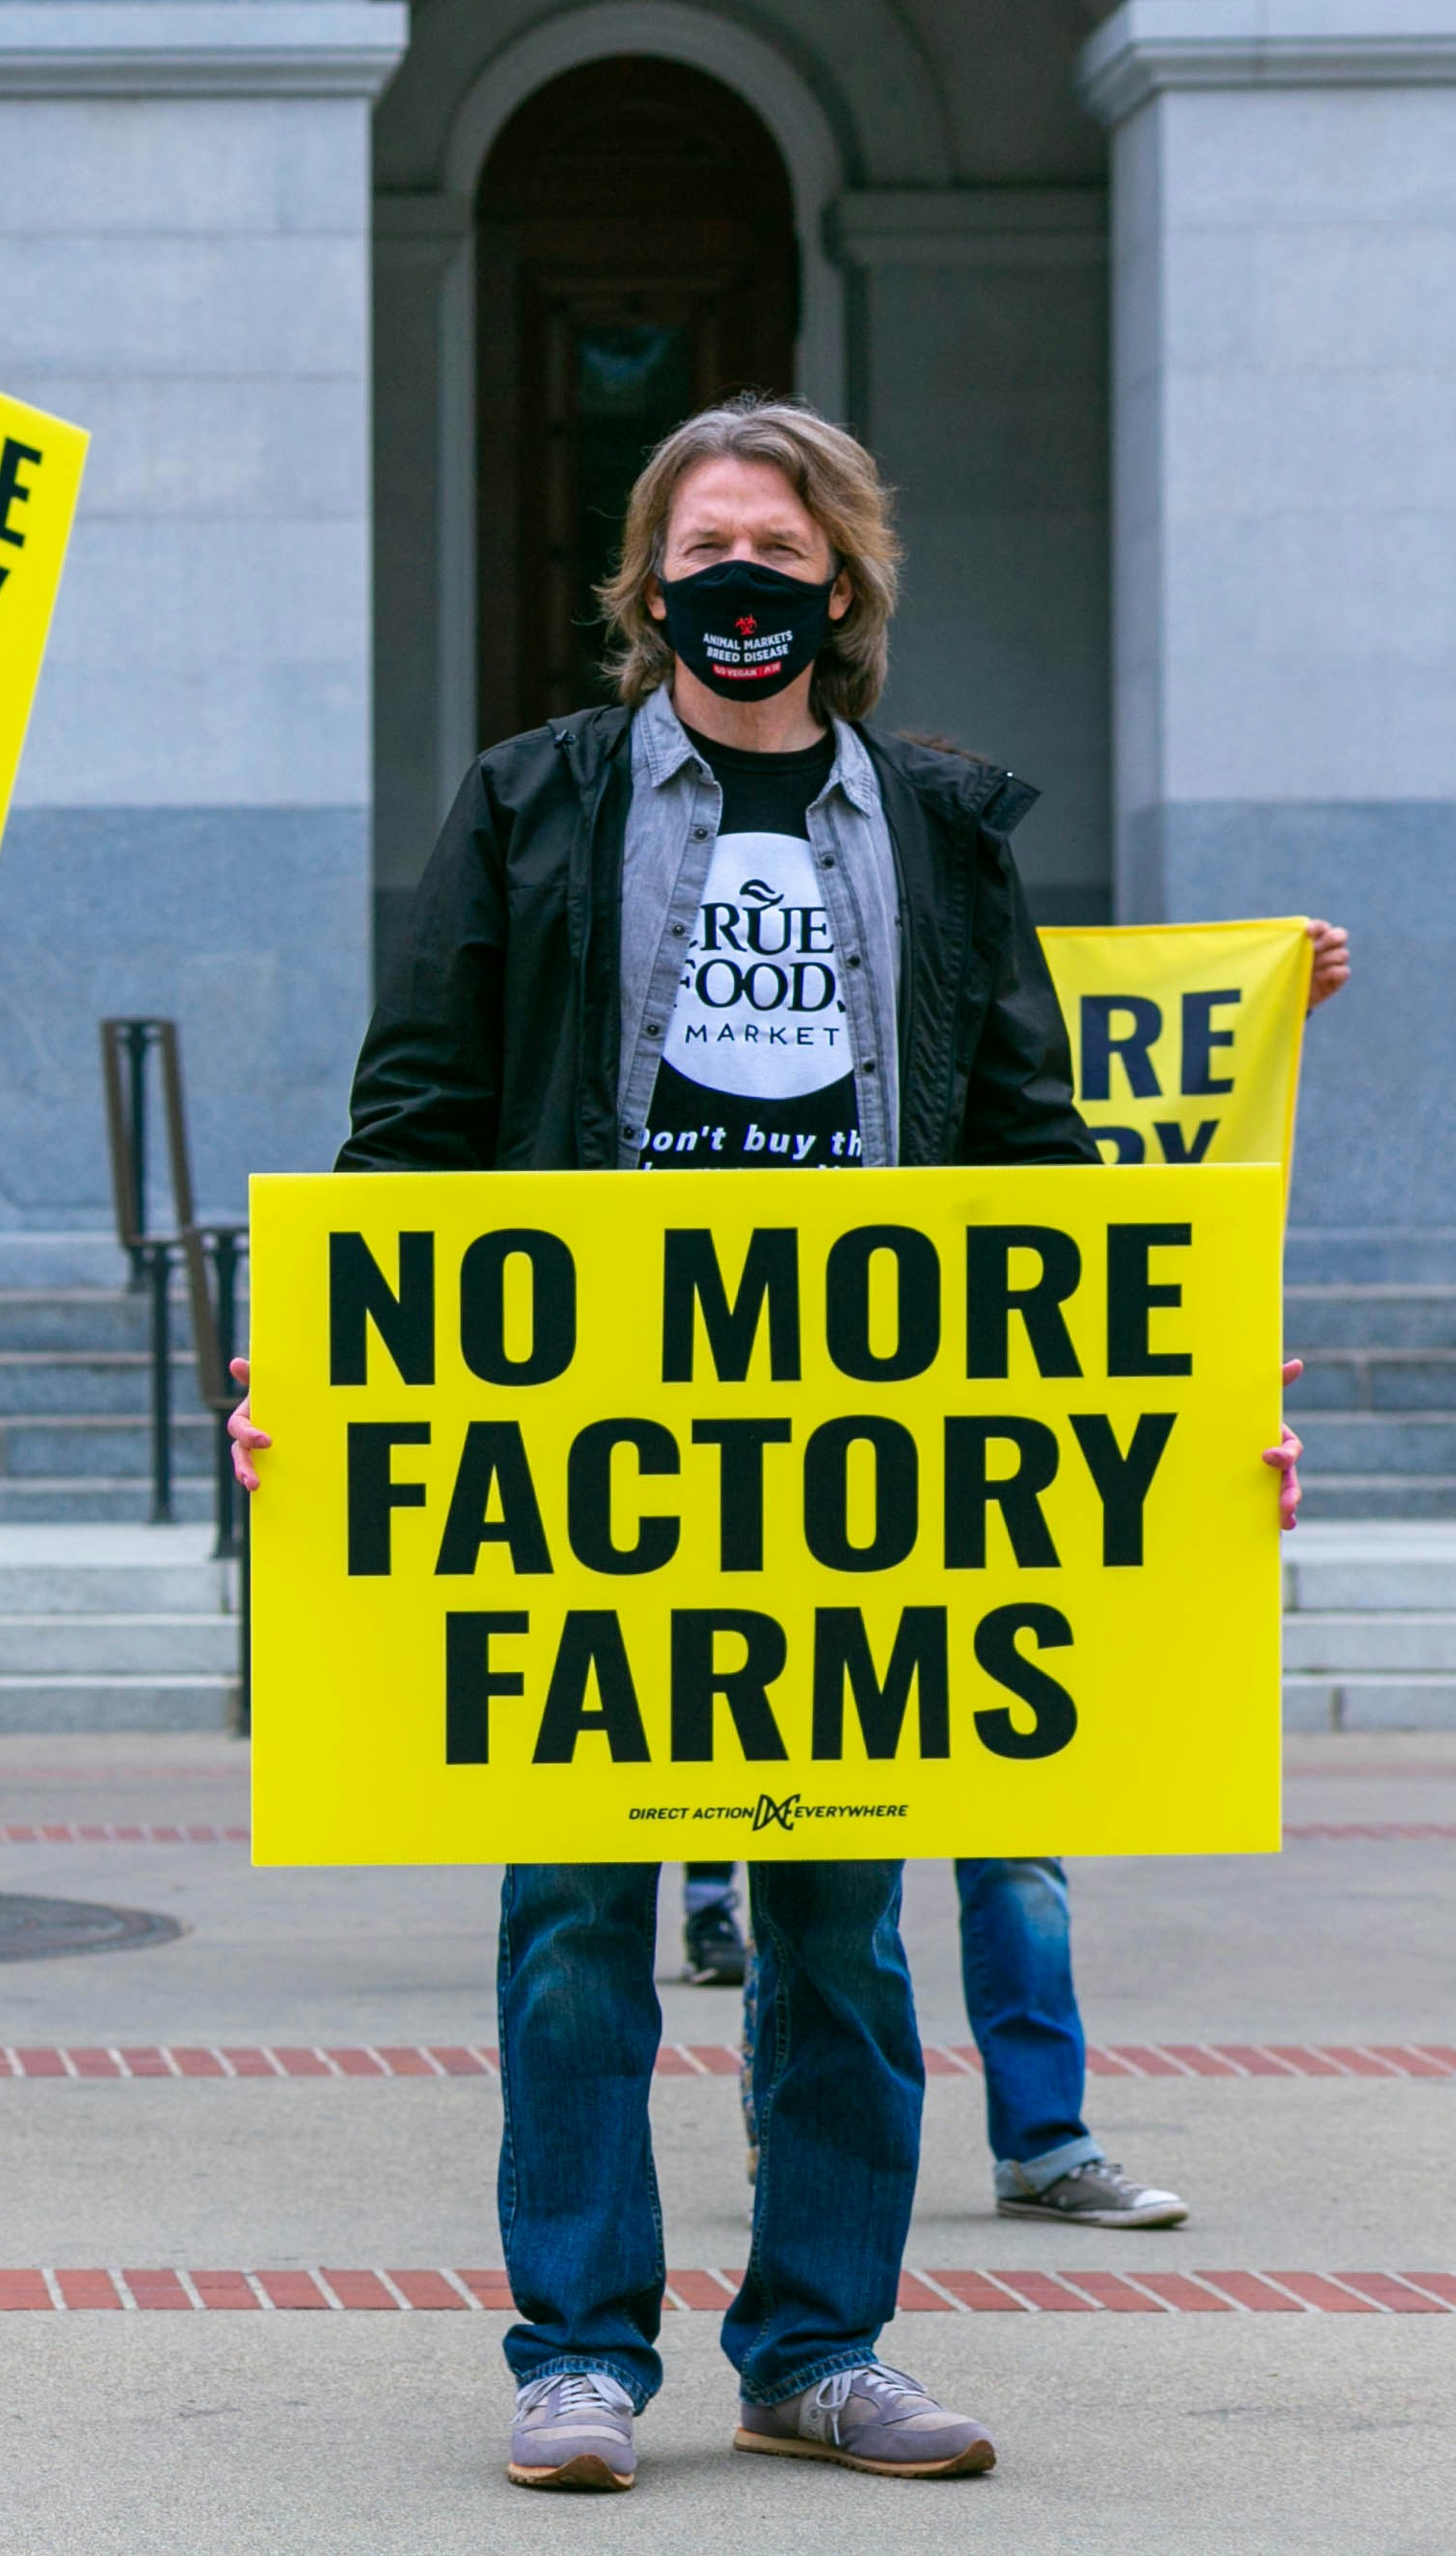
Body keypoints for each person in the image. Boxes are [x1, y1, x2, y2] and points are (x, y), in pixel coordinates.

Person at [227, 396, 1309, 2492]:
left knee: (832, 1924)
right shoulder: (531, 804)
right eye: (705, 549)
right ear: (645, 586)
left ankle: (814, 2341)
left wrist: (1180, 1423)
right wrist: (320, 1366)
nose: (743, 585)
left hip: (852, 1460)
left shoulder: (932, 827)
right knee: (567, 1916)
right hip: (586, 1455)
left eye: (782, 555)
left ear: (841, 589)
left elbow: (1037, 1160)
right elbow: (413, 1122)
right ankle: (574, 2349)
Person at [715, 913, 1357, 2235]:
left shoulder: (977, 1023)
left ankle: (1041, 2136)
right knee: (825, 1847)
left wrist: (1269, 1006)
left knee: (1011, 1847)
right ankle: (813, 2127)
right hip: (823, 1479)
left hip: (983, 1489)